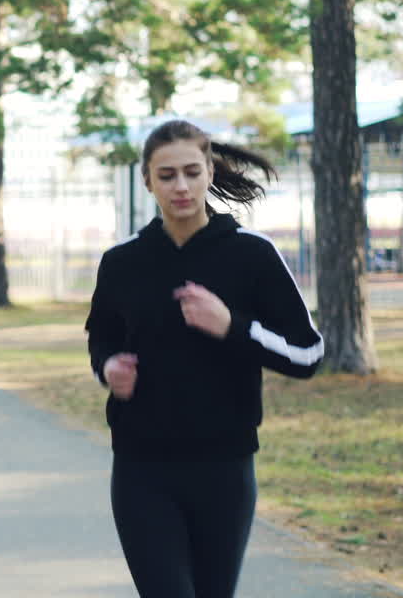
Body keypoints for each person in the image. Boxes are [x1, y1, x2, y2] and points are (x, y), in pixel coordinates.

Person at [85, 119, 323, 598]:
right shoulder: (122, 263)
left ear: (209, 173)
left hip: (224, 467)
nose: (181, 186)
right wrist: (109, 369)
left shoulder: (251, 256)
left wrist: (233, 327)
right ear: (147, 180)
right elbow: (102, 340)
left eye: (192, 172)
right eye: (167, 175)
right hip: (141, 468)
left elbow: (307, 353)